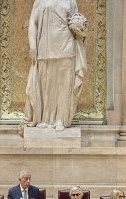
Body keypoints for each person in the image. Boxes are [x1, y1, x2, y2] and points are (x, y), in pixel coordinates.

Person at [22, 0, 87, 131]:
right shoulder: (40, 1)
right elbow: (32, 22)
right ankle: (45, 119)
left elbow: (76, 21)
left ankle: (60, 119)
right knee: (46, 85)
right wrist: (32, 45)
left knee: (64, 85)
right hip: (45, 46)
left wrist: (81, 27)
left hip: (67, 46)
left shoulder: (70, 1)